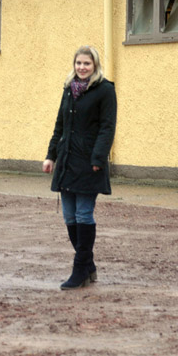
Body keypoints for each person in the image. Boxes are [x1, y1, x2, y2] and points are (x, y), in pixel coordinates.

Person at [42, 45, 117, 290]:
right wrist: (50, 155)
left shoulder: (105, 90)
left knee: (84, 215)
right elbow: (59, 125)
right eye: (78, 63)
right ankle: (89, 265)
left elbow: (107, 127)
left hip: (89, 162)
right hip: (67, 161)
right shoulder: (68, 89)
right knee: (69, 217)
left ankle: (79, 270)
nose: (82, 68)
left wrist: (98, 158)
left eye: (87, 64)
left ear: (94, 66)